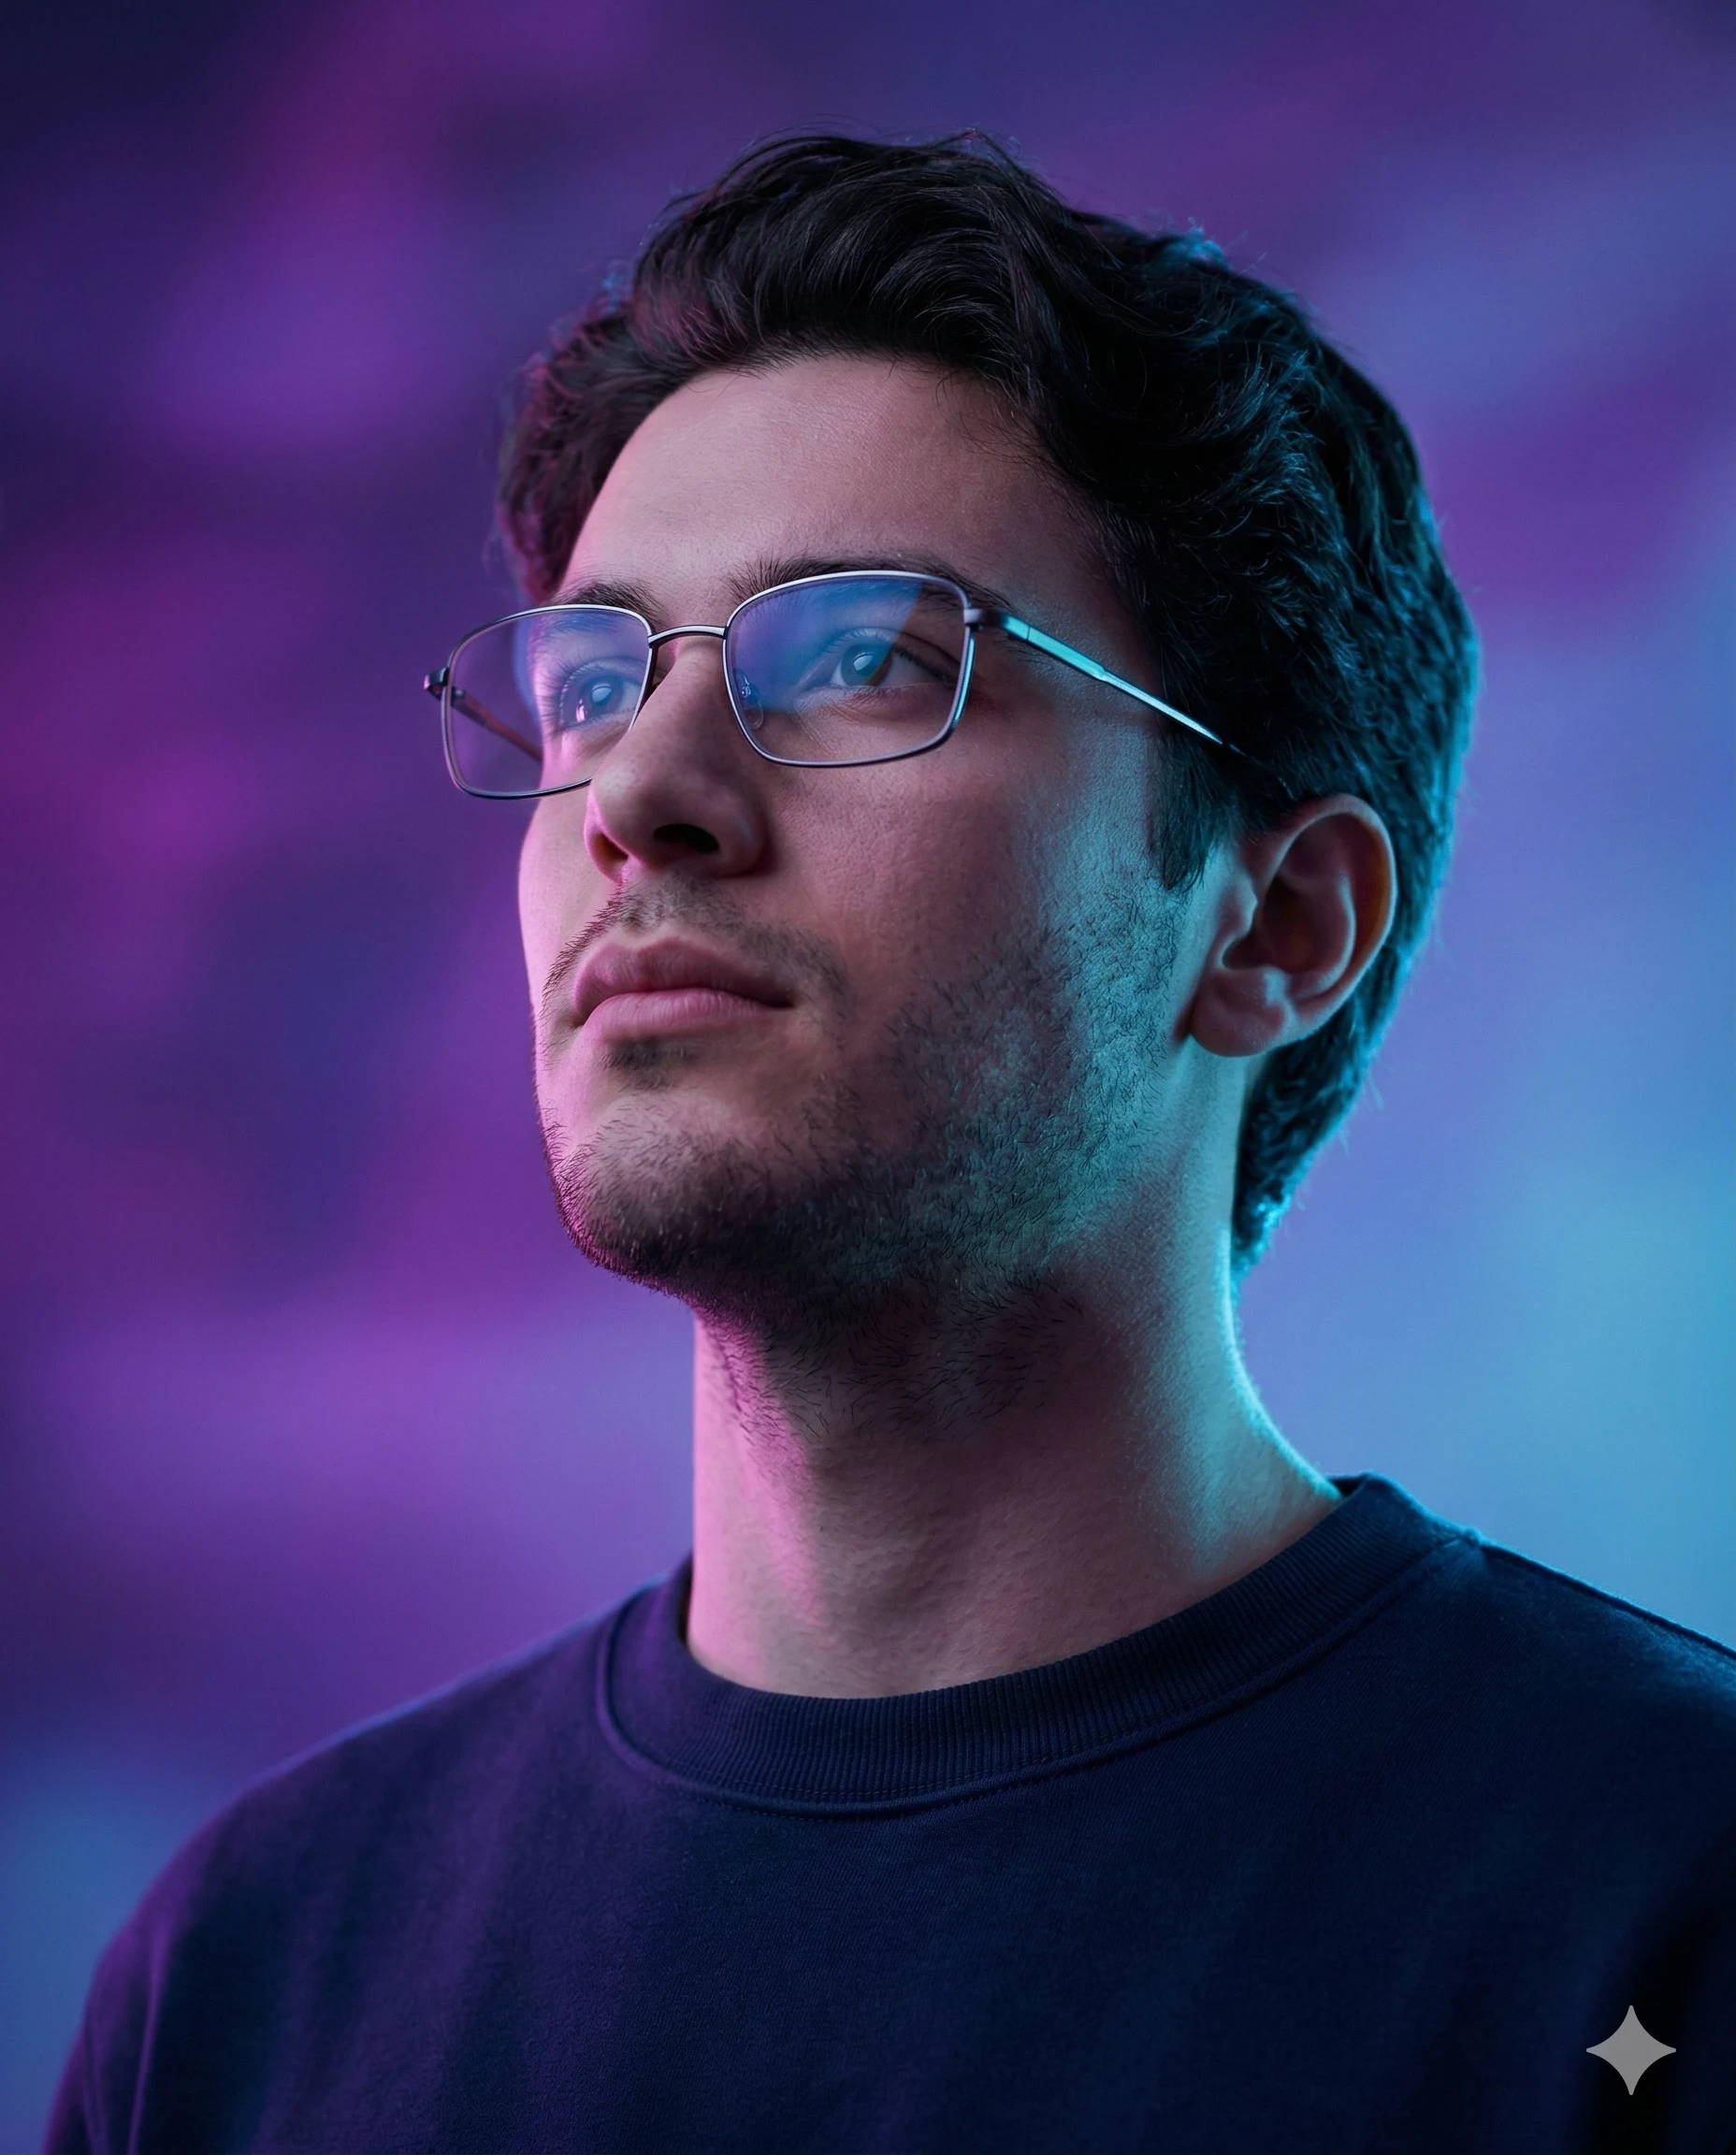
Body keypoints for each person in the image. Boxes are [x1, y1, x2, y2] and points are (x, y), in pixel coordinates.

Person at [50, 133, 1734, 2155]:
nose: (638, 795)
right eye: (590, 684)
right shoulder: (250, 1981)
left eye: (862, 658)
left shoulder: (1664, 1902)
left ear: (1276, 925)